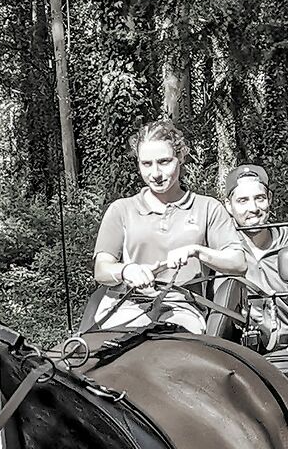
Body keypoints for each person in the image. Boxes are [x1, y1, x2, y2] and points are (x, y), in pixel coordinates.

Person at [90, 119, 246, 333]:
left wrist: (196, 251)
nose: (155, 173)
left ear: (180, 158)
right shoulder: (121, 210)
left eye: (164, 162)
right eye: (146, 164)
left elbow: (238, 262)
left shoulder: (207, 208)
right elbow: (102, 269)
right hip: (125, 307)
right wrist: (127, 270)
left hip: (183, 311)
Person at [224, 163, 288, 352]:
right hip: (235, 354)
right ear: (229, 205)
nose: (253, 208)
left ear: (270, 198)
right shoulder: (221, 246)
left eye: (259, 198)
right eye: (242, 201)